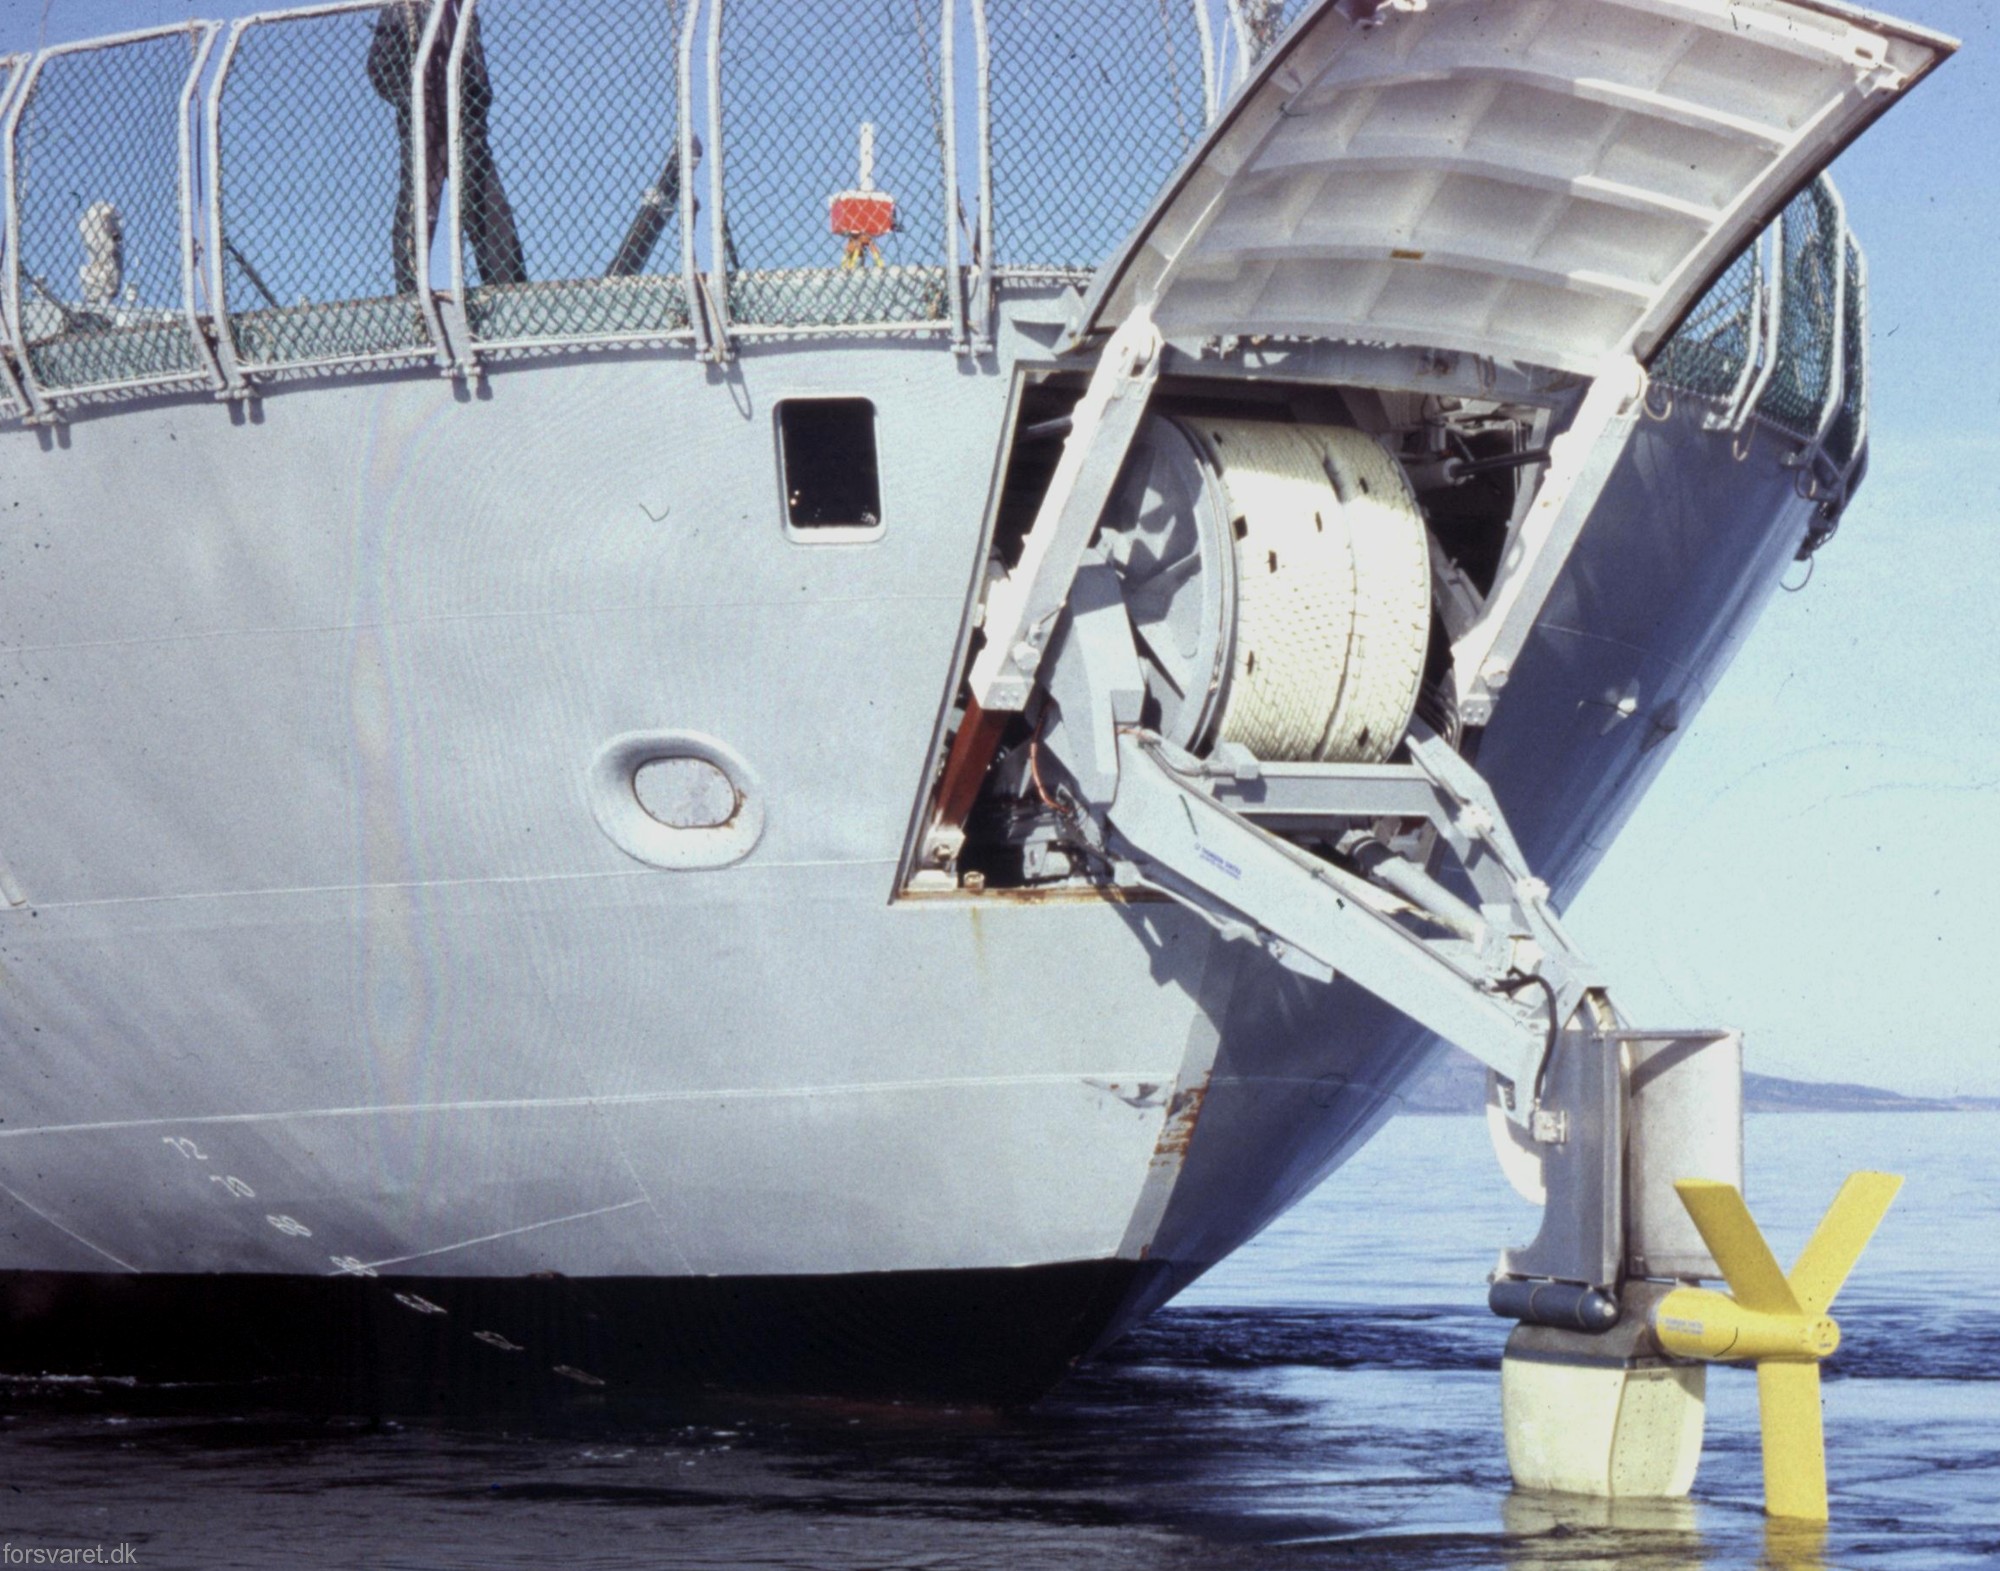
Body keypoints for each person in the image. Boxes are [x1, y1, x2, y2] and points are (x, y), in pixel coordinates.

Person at [367, 0, 525, 295]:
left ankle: (509, 288)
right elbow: (378, 67)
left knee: (488, 202)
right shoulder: (402, 8)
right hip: (425, 123)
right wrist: (414, 100)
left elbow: (475, 65)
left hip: (467, 123)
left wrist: (478, 106)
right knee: (418, 205)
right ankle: (410, 292)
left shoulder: (461, 7)